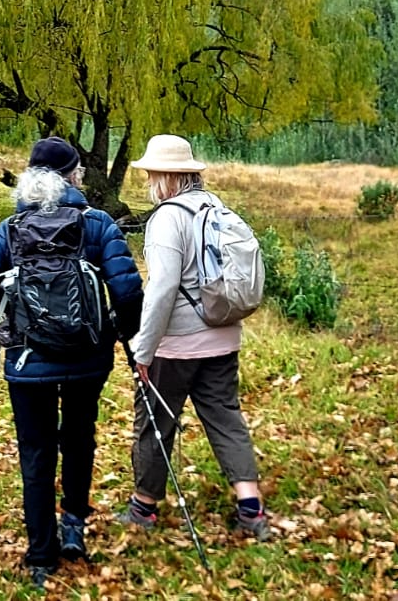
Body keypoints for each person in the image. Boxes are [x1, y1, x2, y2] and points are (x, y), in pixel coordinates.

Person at [0, 137, 144, 587]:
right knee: (80, 440)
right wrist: (117, 330)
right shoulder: (97, 224)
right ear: (74, 176)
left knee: (36, 451)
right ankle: (74, 530)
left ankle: (41, 554)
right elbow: (128, 292)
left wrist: (14, 306)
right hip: (88, 356)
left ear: (30, 180)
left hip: (27, 360)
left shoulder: (12, 228)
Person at [119, 134, 271, 541]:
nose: (149, 179)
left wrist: (143, 350)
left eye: (151, 173)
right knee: (225, 419)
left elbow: (162, 289)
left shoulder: (167, 217)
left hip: (177, 345)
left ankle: (143, 507)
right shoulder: (216, 207)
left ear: (165, 176)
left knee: (154, 424)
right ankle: (250, 507)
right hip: (223, 337)